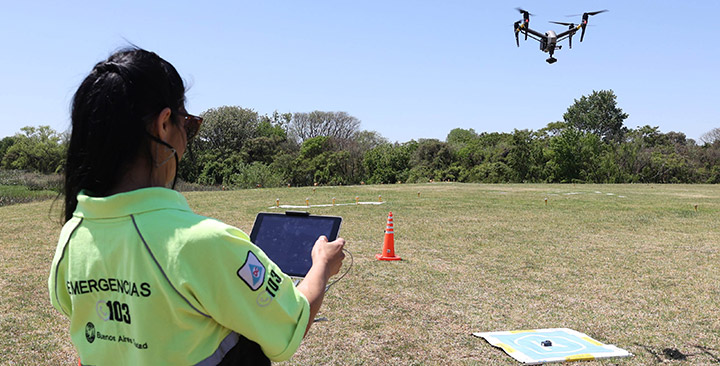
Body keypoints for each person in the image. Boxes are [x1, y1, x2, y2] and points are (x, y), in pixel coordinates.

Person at [48, 47, 345, 365]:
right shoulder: (205, 242)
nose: (186, 139)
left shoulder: (72, 236)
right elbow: (289, 328)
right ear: (164, 125)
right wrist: (322, 267)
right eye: (187, 125)